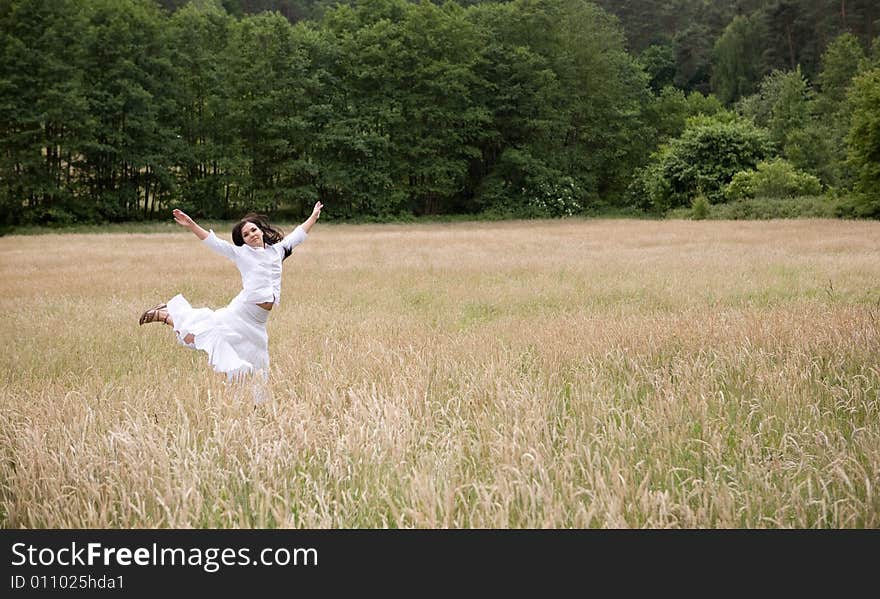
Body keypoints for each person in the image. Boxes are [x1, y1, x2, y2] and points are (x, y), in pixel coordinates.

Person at [139, 203, 323, 402]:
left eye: (253, 229)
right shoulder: (241, 253)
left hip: (258, 322)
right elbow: (214, 243)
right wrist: (192, 225)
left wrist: (313, 216)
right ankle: (165, 315)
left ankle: (255, 404)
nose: (251, 234)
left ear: (261, 230)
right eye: (246, 234)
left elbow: (298, 234)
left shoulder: (278, 251)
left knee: (258, 362)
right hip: (241, 312)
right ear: (242, 240)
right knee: (204, 336)